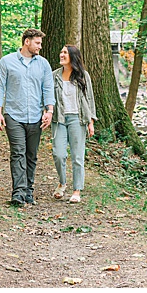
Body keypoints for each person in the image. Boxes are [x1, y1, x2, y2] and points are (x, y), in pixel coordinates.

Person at [0, 28, 55, 207]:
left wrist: (49, 111)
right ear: (26, 42)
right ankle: (18, 193)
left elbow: (48, 89)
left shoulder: (43, 64)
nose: (40, 47)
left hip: (36, 116)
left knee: (31, 155)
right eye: (37, 43)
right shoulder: (6, 62)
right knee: (18, 152)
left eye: (40, 43)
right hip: (14, 115)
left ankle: (28, 191)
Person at [52, 44, 96, 203]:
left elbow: (89, 99)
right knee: (58, 153)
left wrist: (91, 121)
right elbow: (49, 97)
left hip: (78, 119)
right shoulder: (54, 75)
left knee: (77, 156)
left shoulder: (83, 76)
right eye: (61, 51)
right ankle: (62, 183)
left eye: (65, 52)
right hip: (59, 119)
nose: (61, 54)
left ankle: (77, 190)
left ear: (72, 56)